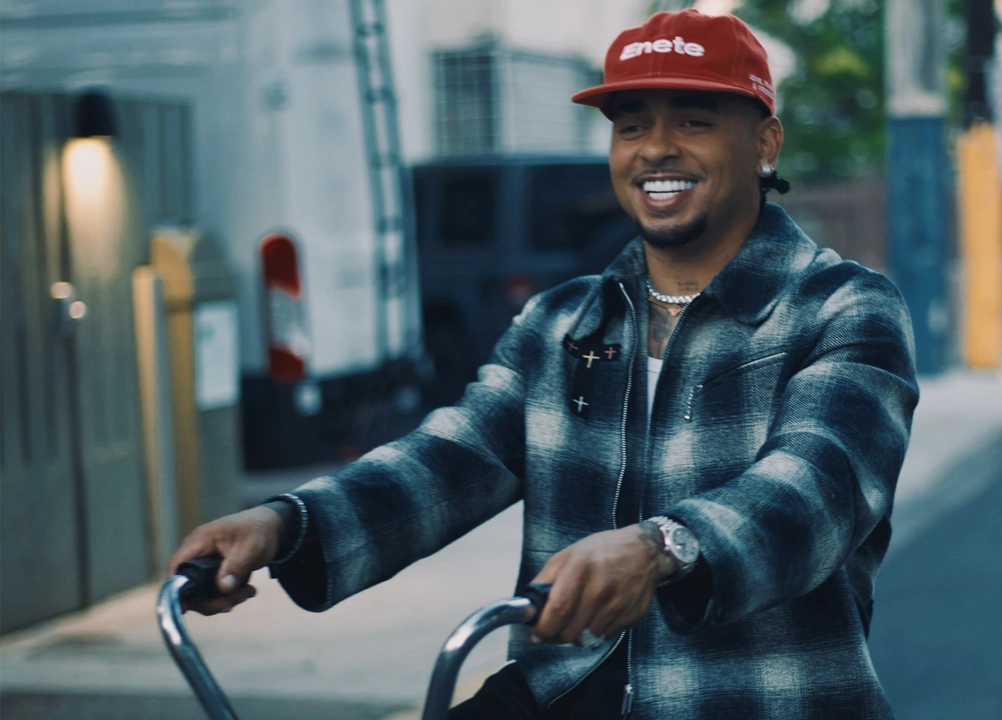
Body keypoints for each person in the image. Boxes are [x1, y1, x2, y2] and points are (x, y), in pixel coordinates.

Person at [168, 9, 918, 719]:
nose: (656, 148)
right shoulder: (560, 322)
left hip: (753, 698)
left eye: (694, 121)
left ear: (764, 143)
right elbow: (449, 457)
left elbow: (817, 487)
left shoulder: (842, 307)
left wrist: (663, 547)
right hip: (565, 685)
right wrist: (284, 522)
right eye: (632, 125)